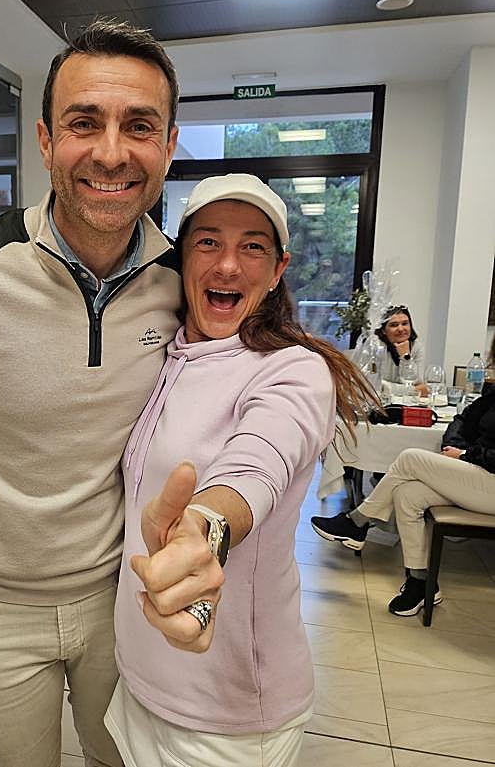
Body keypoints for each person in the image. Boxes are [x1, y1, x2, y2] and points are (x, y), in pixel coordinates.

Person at [0, 19, 218, 767]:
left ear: (168, 145)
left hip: (124, 592)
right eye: (84, 123)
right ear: (46, 140)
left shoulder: (183, 279)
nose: (112, 152)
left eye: (139, 126)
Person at [105, 174, 377, 767]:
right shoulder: (165, 355)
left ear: (278, 268)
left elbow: (259, 460)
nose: (227, 265)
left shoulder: (292, 370)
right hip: (138, 679)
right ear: (182, 258)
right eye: (208, 242)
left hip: (226, 712)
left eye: (252, 246)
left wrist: (205, 525)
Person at [311, 377, 495, 616]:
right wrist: (456, 446)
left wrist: (465, 455)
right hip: (480, 473)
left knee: (410, 458)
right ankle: (420, 581)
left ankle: (357, 521)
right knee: (407, 494)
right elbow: (463, 419)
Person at [375, 304, 426, 393]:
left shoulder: (416, 347)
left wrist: (405, 356)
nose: (401, 329)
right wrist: (412, 390)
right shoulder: (376, 347)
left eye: (405, 323)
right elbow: (375, 385)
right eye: (394, 325)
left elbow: (416, 382)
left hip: (407, 403)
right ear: (383, 330)